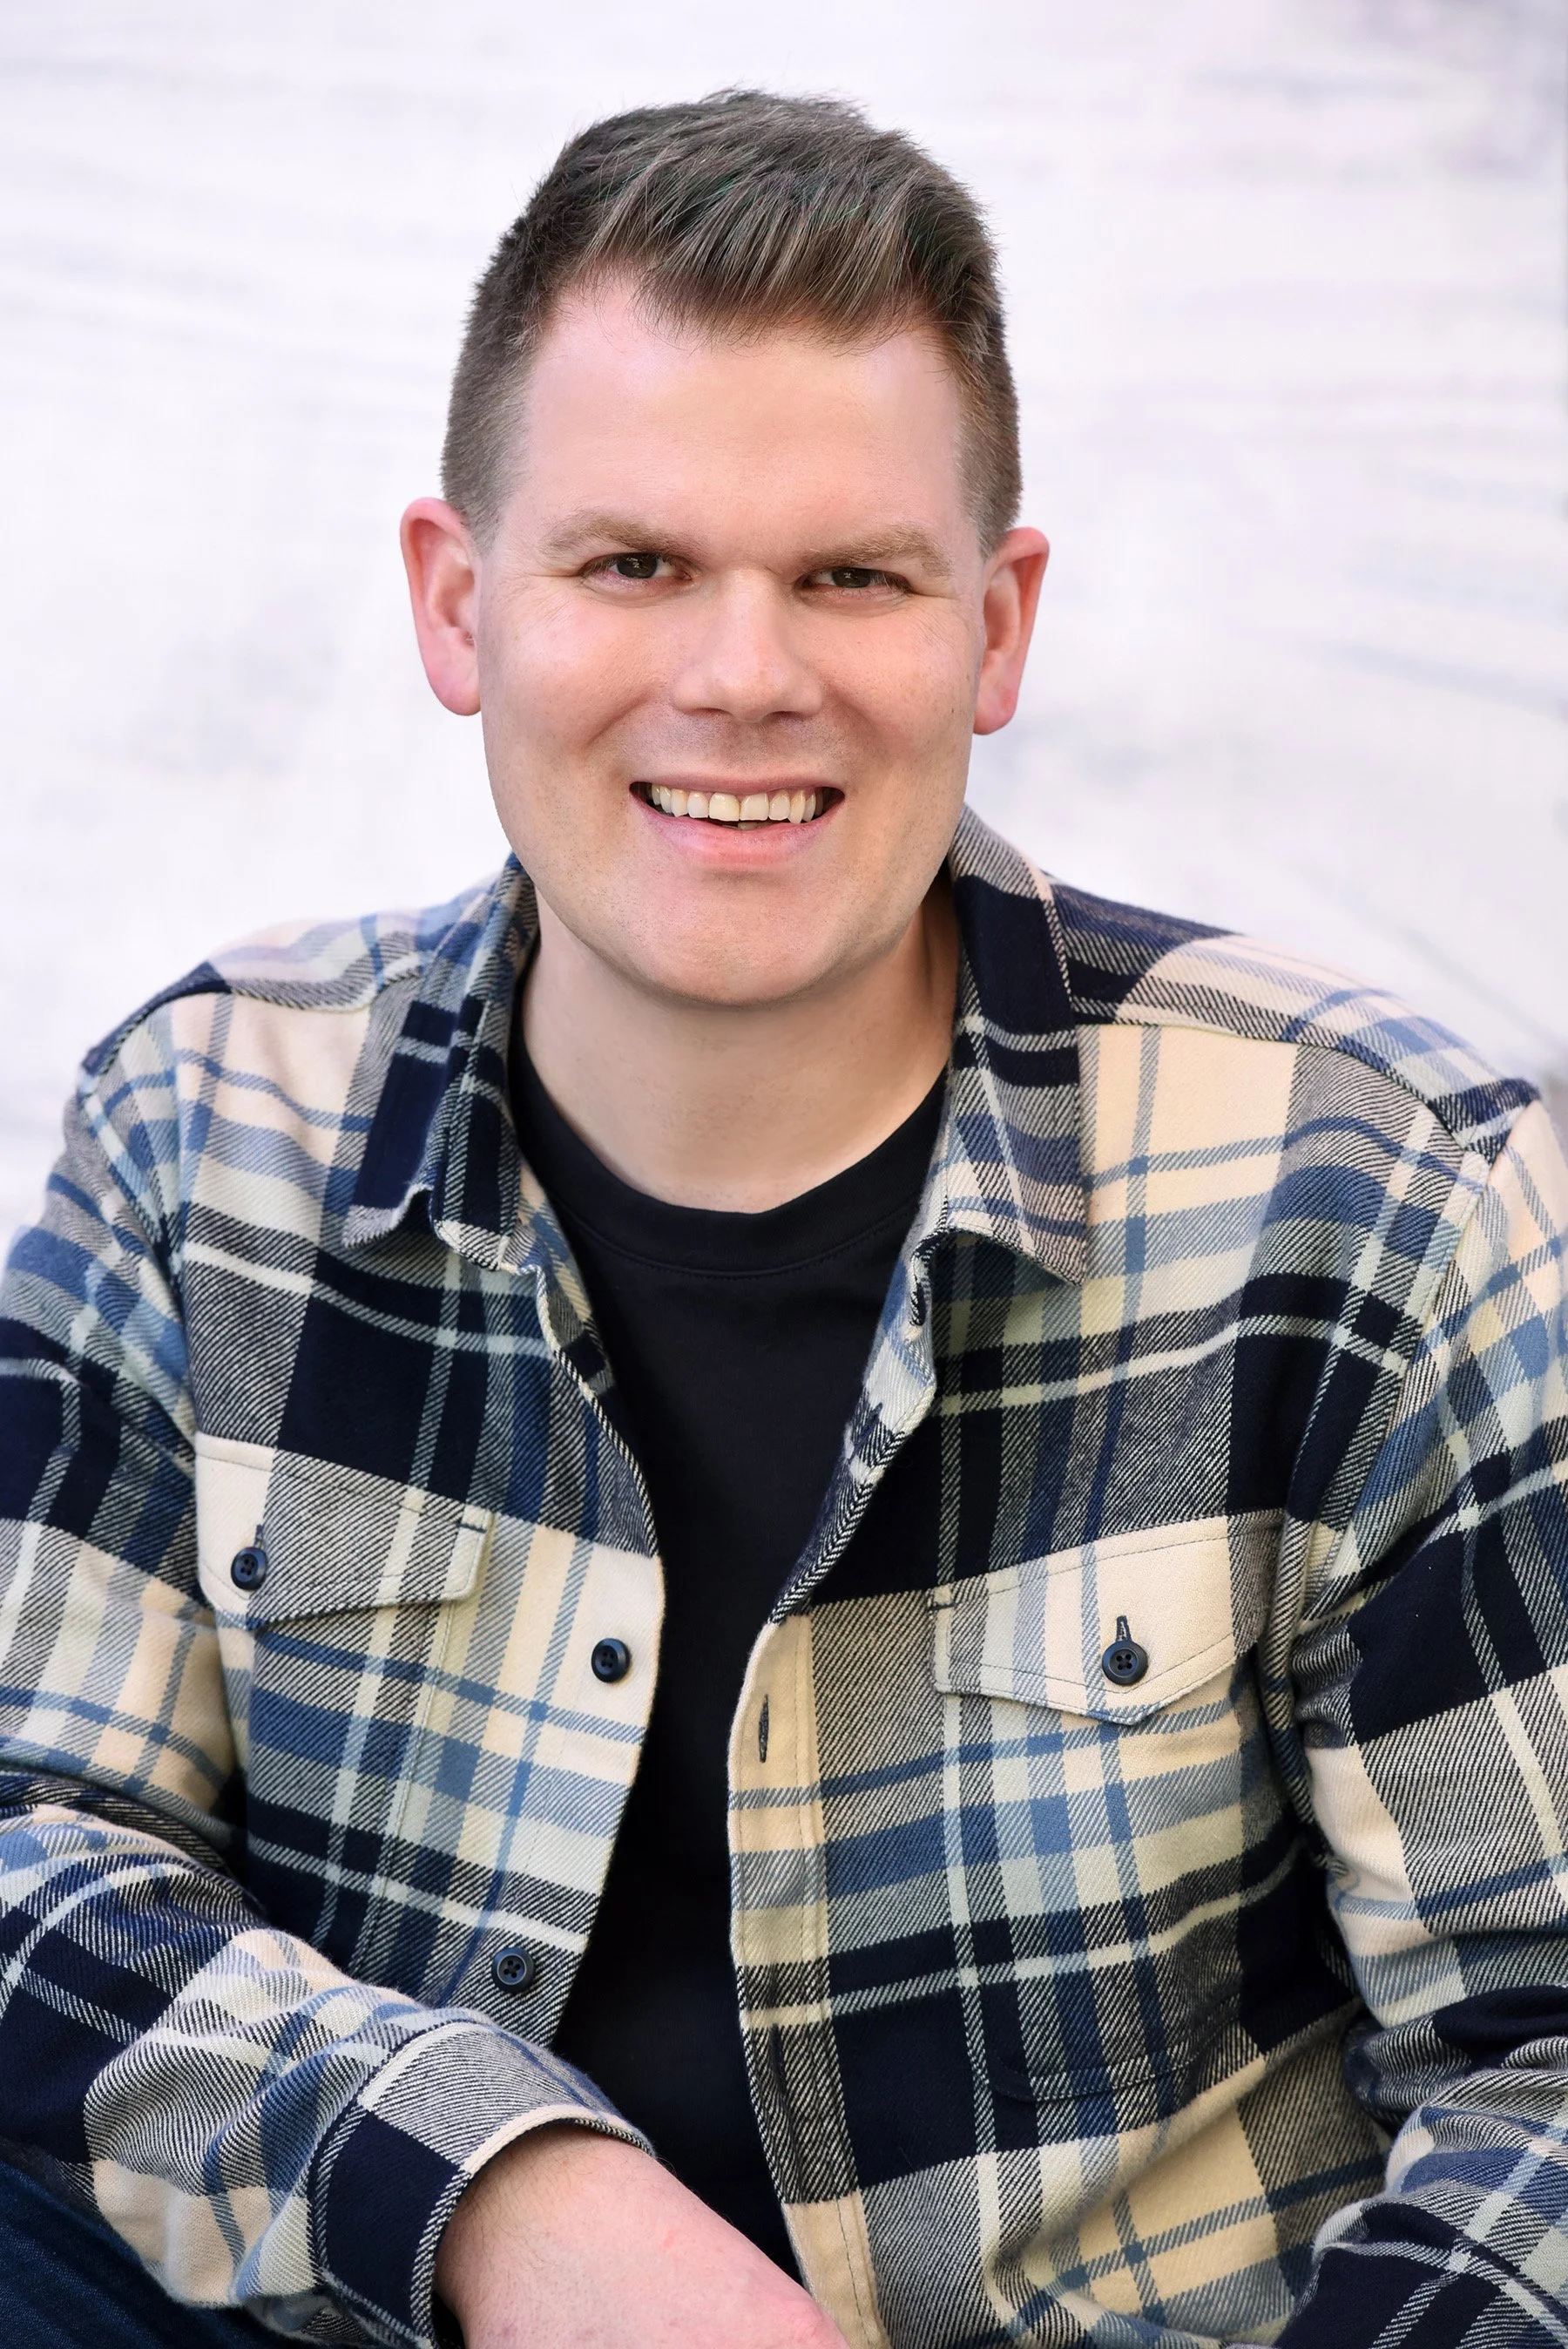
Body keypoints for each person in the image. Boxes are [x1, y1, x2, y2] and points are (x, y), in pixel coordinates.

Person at [1, 87, 1565, 2349]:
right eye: (633, 565)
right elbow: (33, 1839)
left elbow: (1542, 2058)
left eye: (852, 575)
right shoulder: (199, 1132)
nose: (744, 675)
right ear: (460, 605)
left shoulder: (1380, 1192)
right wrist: (500, 2199)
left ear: (997, 627)